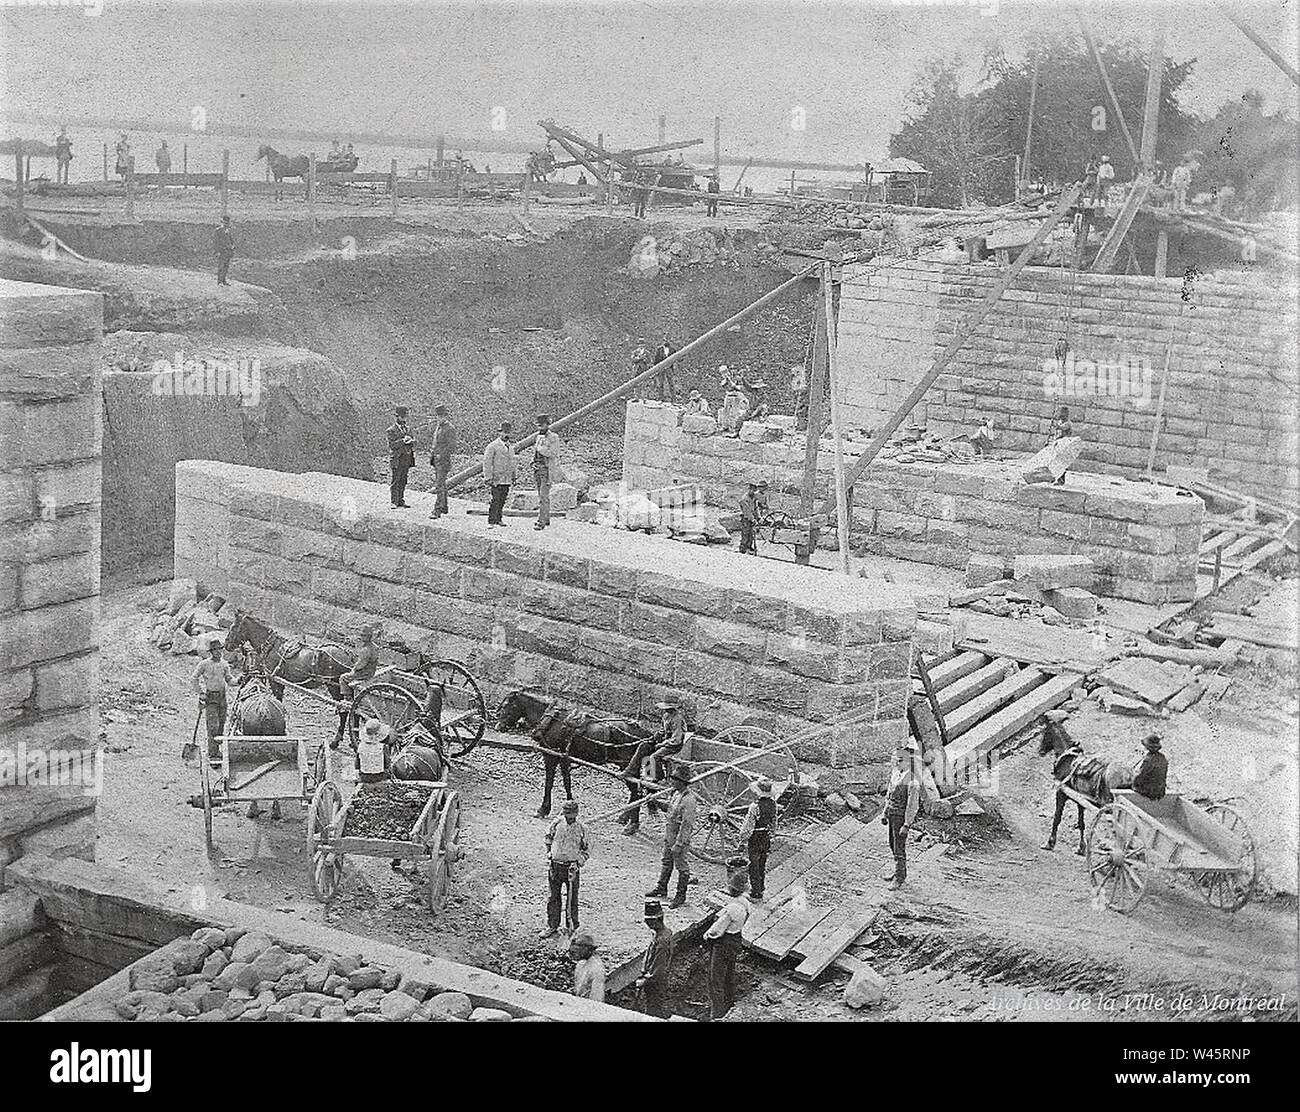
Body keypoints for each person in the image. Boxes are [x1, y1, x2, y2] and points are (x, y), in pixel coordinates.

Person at [620, 699, 688, 835]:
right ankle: (631, 770)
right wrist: (653, 738)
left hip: (674, 745)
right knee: (643, 746)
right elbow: (662, 731)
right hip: (665, 742)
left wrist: (662, 745)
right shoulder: (666, 716)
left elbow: (677, 738)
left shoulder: (678, 718)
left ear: (673, 708)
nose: (666, 710)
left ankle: (655, 777)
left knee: (654, 757)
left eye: (668, 708)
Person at [645, 764, 696, 909]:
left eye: (674, 779)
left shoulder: (689, 801)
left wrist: (679, 844)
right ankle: (661, 888)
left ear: (682, 781)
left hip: (679, 838)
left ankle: (680, 896)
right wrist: (656, 802)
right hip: (670, 835)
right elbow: (670, 808)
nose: (671, 781)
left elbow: (687, 825)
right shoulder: (676, 794)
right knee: (666, 862)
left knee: (682, 867)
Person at [703, 870, 749, 1019]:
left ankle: (716, 1014)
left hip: (723, 944)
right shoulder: (745, 903)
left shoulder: (732, 909)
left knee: (715, 980)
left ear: (732, 889)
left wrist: (707, 935)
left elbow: (717, 931)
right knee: (729, 975)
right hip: (735, 940)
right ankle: (729, 1004)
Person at [543, 799, 590, 937]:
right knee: (553, 897)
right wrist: (549, 853)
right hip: (555, 866)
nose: (569, 819)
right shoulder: (556, 823)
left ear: (576, 814)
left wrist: (579, 862)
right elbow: (548, 838)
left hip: (571, 868)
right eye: (567, 815)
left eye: (572, 816)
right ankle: (552, 925)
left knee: (572, 899)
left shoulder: (582, 828)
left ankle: (572, 927)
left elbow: (586, 850)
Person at [881, 739, 921, 888]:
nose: (896, 763)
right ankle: (897, 871)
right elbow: (889, 795)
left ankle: (900, 877)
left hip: (900, 817)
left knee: (899, 847)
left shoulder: (912, 782)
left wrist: (907, 824)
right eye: (895, 760)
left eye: (900, 760)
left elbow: (912, 806)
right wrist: (885, 813)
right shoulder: (896, 774)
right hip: (892, 814)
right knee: (892, 844)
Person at [333, 626, 379, 748]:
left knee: (343, 677)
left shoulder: (365, 650)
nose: (361, 638)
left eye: (363, 636)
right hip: (371, 673)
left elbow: (360, 665)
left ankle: (347, 698)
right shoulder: (375, 647)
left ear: (367, 637)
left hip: (363, 675)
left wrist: (353, 669)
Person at [190, 637, 234, 760]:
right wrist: (200, 693)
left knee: (221, 725)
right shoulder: (204, 664)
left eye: (220, 649)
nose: (218, 652)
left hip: (222, 697)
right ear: (211, 652)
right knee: (212, 725)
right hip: (210, 698)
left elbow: (229, 680)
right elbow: (194, 678)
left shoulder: (225, 664)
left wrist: (239, 680)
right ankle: (213, 753)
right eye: (215, 650)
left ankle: (217, 749)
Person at [737, 777, 776, 900]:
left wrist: (742, 840)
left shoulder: (755, 806)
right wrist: (772, 835)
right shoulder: (773, 805)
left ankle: (755, 892)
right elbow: (774, 822)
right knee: (762, 863)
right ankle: (761, 887)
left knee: (753, 864)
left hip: (755, 837)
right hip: (765, 837)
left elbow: (748, 826)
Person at [635, 899, 674, 1017]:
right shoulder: (660, 934)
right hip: (652, 980)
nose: (646, 923)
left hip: (655, 983)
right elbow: (650, 955)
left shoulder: (662, 941)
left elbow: (659, 967)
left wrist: (645, 980)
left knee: (654, 1011)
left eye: (648, 921)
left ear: (656, 921)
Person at [482, 421, 515, 527]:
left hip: (506, 478)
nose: (506, 435)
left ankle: (499, 519)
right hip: (496, 478)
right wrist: (488, 477)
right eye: (504, 432)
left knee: (502, 499)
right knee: (495, 499)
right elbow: (487, 462)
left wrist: (513, 476)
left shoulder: (510, 447)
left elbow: (512, 462)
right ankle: (491, 521)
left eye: (508, 433)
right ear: (499, 433)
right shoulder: (493, 446)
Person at [532, 413, 561, 531]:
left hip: (546, 469)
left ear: (547, 425)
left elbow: (553, 453)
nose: (540, 428)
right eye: (538, 426)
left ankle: (541, 521)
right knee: (541, 495)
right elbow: (535, 452)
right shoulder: (538, 437)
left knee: (544, 496)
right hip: (537, 468)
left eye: (542, 426)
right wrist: (532, 461)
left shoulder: (553, 437)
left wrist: (540, 449)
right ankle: (546, 518)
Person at [428, 404, 457, 519]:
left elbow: (452, 446)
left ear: (446, 416)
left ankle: (437, 509)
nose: (439, 418)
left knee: (439, 485)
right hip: (436, 460)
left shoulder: (450, 428)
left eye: (441, 416)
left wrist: (440, 455)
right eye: (437, 416)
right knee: (442, 484)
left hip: (443, 460)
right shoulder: (439, 427)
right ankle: (444, 506)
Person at [386, 405, 416, 508]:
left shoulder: (408, 429)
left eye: (405, 417)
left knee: (403, 480)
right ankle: (394, 501)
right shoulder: (391, 430)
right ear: (397, 417)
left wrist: (411, 441)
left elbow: (413, 442)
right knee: (396, 480)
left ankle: (400, 500)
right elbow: (392, 445)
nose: (404, 419)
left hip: (406, 458)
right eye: (402, 417)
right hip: (397, 458)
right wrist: (403, 441)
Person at [569, 932, 605, 1002]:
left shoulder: (596, 969)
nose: (576, 953)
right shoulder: (580, 964)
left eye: (579, 950)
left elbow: (597, 998)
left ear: (588, 949)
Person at [1132, 734, 1168, 801]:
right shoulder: (1162, 757)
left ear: (1147, 747)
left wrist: (1133, 783)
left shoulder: (1148, 759)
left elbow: (1140, 776)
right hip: (1160, 791)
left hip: (1148, 792)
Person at [356, 717, 390, 784]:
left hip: (364, 776)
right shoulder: (382, 747)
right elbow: (387, 764)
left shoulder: (361, 746)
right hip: (379, 776)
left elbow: (357, 764)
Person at [652, 337, 676, 403]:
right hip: (661, 369)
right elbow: (656, 360)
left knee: (671, 384)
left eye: (667, 340)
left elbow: (675, 359)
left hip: (669, 368)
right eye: (664, 340)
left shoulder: (672, 350)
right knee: (660, 384)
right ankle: (661, 398)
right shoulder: (659, 349)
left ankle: (673, 399)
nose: (665, 342)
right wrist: (656, 369)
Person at [738, 483, 759, 556]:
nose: (753, 492)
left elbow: (756, 508)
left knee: (751, 534)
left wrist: (758, 517)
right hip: (746, 518)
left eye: (755, 490)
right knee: (745, 533)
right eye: (752, 490)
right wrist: (753, 519)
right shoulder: (744, 499)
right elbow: (747, 511)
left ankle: (749, 547)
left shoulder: (754, 497)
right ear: (749, 490)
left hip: (752, 518)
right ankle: (743, 549)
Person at [214, 216, 235, 286]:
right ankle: (219, 281)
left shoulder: (228, 231)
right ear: (222, 222)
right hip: (222, 251)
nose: (226, 224)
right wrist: (217, 251)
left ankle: (224, 280)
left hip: (228, 251)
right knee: (221, 266)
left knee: (226, 266)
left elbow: (231, 240)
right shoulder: (218, 230)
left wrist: (232, 246)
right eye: (225, 223)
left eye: (227, 223)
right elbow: (216, 242)